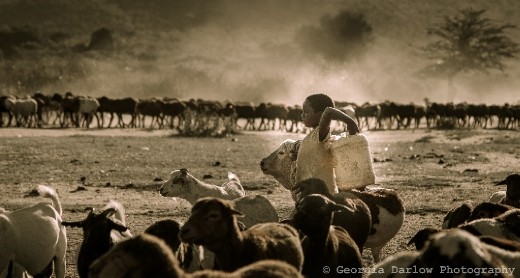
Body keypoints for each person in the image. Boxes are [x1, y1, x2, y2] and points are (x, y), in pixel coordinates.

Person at [295, 93, 359, 195]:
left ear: (320, 115)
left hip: (323, 196)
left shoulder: (320, 135)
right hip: (309, 195)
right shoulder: (311, 137)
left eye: (306, 111)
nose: (302, 115)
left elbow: (329, 111)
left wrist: (350, 122)